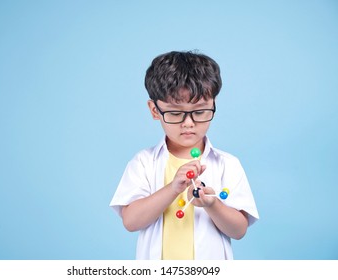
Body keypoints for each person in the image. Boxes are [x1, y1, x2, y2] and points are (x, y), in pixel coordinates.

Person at [110, 51, 259, 260]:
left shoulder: (227, 164)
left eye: (199, 112)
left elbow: (239, 230)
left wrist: (212, 204)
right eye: (175, 113)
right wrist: (173, 189)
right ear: (154, 110)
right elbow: (131, 222)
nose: (188, 123)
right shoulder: (143, 162)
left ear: (213, 105)